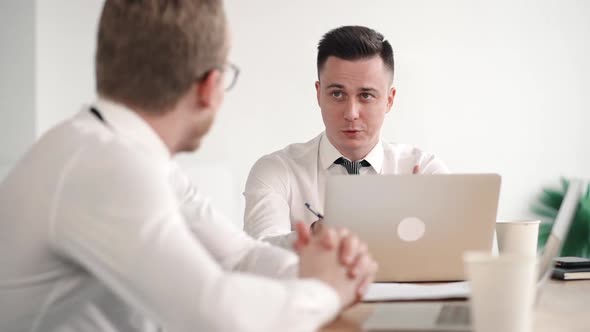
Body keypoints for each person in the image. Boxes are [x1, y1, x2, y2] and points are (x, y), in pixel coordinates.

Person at [0, 2, 377, 332]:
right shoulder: (105, 166)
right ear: (210, 85)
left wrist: (321, 265)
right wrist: (325, 290)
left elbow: (237, 256)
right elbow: (215, 315)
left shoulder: (117, 151)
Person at [244, 25, 449, 249]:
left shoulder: (425, 172)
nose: (351, 113)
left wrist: (418, 230)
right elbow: (257, 255)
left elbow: (461, 258)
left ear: (389, 100)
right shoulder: (277, 171)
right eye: (337, 94)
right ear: (319, 94)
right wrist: (316, 235)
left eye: (366, 95)